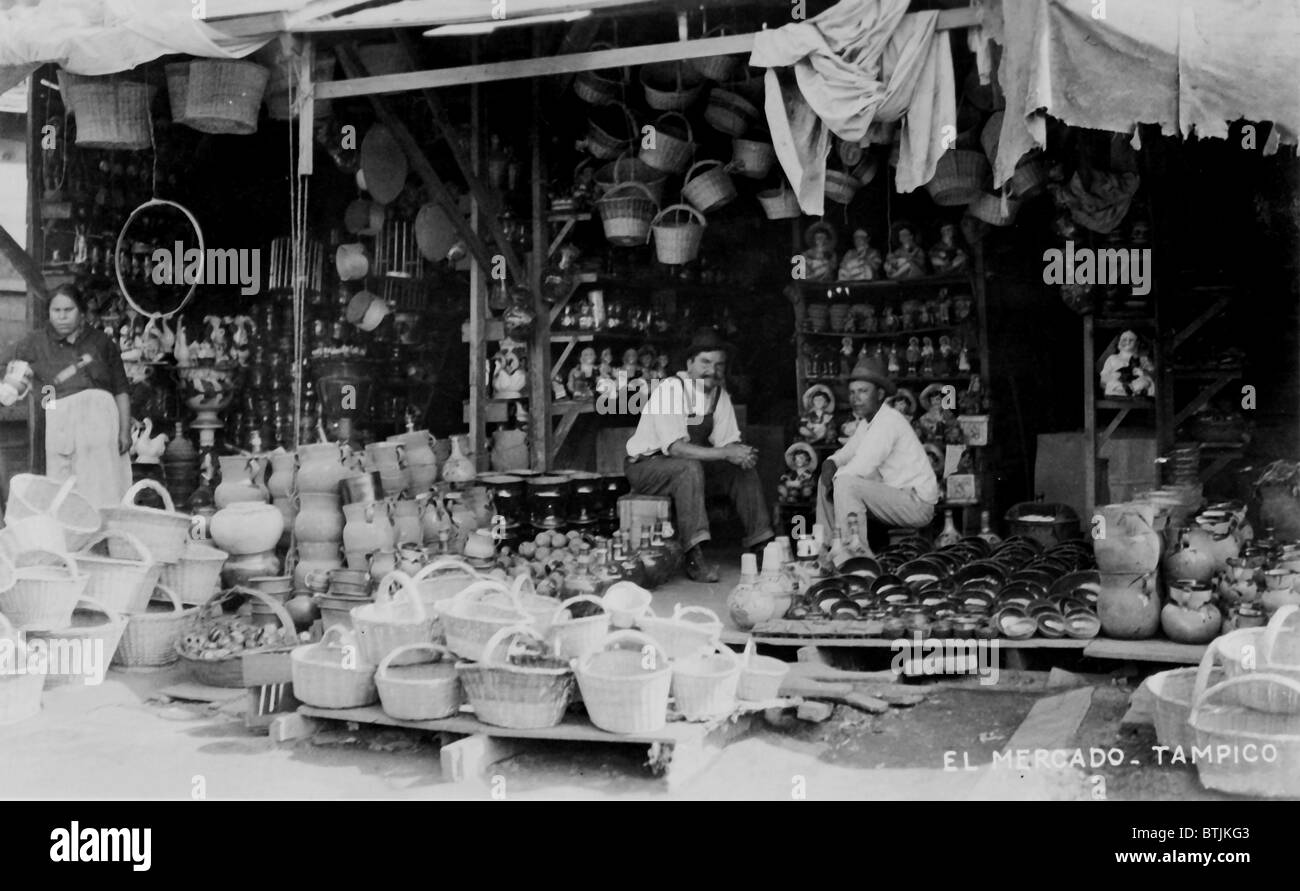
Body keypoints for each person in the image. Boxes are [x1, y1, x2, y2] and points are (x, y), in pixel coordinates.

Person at [624, 328, 774, 582]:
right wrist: (726, 452)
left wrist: (740, 454)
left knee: (739, 468)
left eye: (719, 365)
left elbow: (728, 443)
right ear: (689, 363)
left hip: (689, 468)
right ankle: (694, 555)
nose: (712, 371)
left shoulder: (719, 395)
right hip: (647, 468)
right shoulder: (671, 389)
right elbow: (675, 448)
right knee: (688, 467)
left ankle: (762, 546)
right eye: (705, 362)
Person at [5, 283, 133, 508]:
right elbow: (21, 383)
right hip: (61, 426)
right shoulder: (33, 343)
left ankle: (104, 538)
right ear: (49, 313)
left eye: (69, 310)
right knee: (63, 490)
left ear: (82, 312)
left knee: (104, 486)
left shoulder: (102, 343)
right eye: (57, 311)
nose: (62, 317)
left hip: (101, 429)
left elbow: (120, 390)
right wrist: (51, 411)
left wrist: (124, 431)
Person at [816, 354, 939, 552]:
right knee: (827, 480)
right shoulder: (868, 422)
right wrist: (830, 462)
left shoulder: (888, 421)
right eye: (853, 392)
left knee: (846, 483)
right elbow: (847, 452)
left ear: (880, 394)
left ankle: (854, 555)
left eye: (863, 391)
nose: (856, 398)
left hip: (916, 504)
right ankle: (826, 547)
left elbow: (863, 466)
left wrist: (836, 476)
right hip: (895, 494)